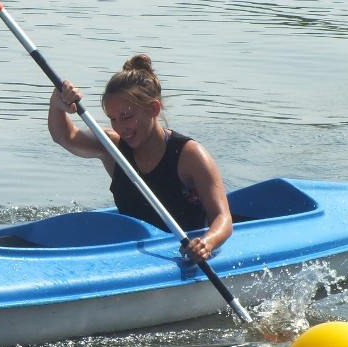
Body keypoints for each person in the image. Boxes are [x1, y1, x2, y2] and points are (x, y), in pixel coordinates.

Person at [47, 54, 232, 263]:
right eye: (113, 119)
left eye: (127, 117)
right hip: (132, 254)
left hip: (179, 256)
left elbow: (223, 218)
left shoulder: (190, 155)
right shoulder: (113, 147)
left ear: (153, 109)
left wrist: (206, 243)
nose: (120, 128)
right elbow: (65, 136)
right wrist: (57, 103)